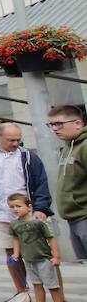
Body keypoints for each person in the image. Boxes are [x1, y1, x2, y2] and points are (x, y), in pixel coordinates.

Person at [0, 123, 57, 301]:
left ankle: (59, 300)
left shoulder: (29, 157)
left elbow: (41, 183)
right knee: (12, 254)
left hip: (30, 215)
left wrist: (41, 208)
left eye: (18, 140)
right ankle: (22, 293)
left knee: (45, 255)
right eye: (11, 140)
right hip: (2, 214)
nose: (16, 143)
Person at [7, 193, 68, 302]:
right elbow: (16, 239)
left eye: (18, 206)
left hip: (44, 258)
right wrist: (16, 253)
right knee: (36, 284)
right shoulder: (14, 224)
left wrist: (56, 257)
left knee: (52, 285)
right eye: (12, 207)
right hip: (29, 259)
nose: (15, 209)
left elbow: (51, 239)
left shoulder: (39, 223)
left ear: (29, 207)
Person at [50, 104, 87, 263]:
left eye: (59, 124)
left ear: (78, 123)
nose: (54, 129)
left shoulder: (84, 146)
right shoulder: (68, 146)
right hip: (74, 219)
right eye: (52, 125)